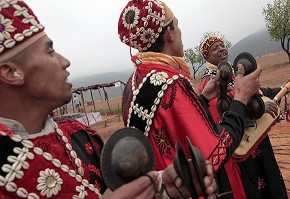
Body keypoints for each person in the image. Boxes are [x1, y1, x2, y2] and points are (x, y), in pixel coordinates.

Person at [0, 1, 217, 198]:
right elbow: (211, 152)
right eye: (50, 52)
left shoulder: (81, 136)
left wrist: (161, 188)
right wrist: (239, 104)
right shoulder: (171, 80)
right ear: (11, 72)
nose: (65, 62)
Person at [118, 0, 262, 198]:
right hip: (185, 190)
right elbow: (215, 152)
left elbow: (171, 127)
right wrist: (241, 98)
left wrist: (201, 99)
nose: (179, 33)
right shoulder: (172, 83)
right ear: (169, 34)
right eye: (176, 26)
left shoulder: (133, 82)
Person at [198, 36, 288, 198]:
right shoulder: (210, 83)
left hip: (256, 142)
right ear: (207, 57)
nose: (221, 49)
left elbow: (258, 94)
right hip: (241, 152)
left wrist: (282, 89)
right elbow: (221, 118)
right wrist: (259, 110)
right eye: (215, 48)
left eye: (222, 45)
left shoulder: (231, 75)